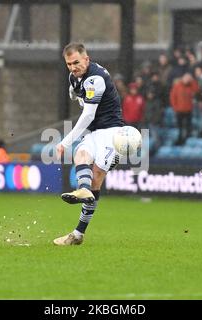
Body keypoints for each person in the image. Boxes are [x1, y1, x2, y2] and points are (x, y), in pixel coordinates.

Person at [53, 43, 125, 246]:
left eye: (76, 62)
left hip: (112, 133)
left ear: (86, 59)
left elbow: (88, 114)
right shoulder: (73, 77)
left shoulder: (96, 78)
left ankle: (78, 233)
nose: (73, 67)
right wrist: (74, 92)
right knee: (81, 155)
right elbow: (77, 91)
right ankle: (82, 191)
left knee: (97, 178)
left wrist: (65, 141)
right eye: (69, 64)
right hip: (95, 133)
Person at [170, 73, 199, 145]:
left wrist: (192, 81)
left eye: (188, 79)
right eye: (186, 78)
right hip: (179, 110)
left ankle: (186, 139)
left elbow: (197, 90)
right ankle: (179, 139)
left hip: (188, 110)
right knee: (180, 127)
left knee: (188, 126)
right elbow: (172, 97)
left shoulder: (191, 86)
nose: (187, 80)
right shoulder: (177, 86)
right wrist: (175, 107)